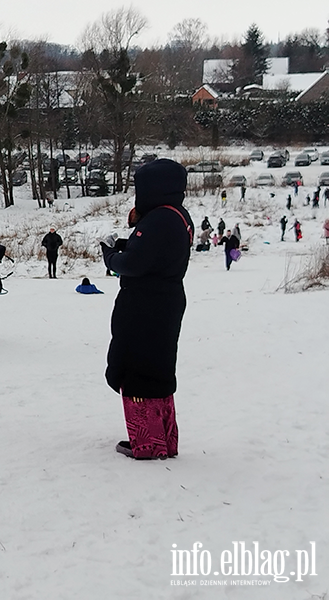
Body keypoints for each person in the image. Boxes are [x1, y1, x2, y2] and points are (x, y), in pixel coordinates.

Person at [100, 159, 192, 460]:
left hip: (144, 303)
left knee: (134, 366)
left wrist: (110, 255)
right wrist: (131, 243)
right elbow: (155, 252)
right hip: (167, 299)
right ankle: (166, 438)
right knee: (159, 368)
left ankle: (147, 442)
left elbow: (134, 264)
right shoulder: (178, 215)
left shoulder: (157, 220)